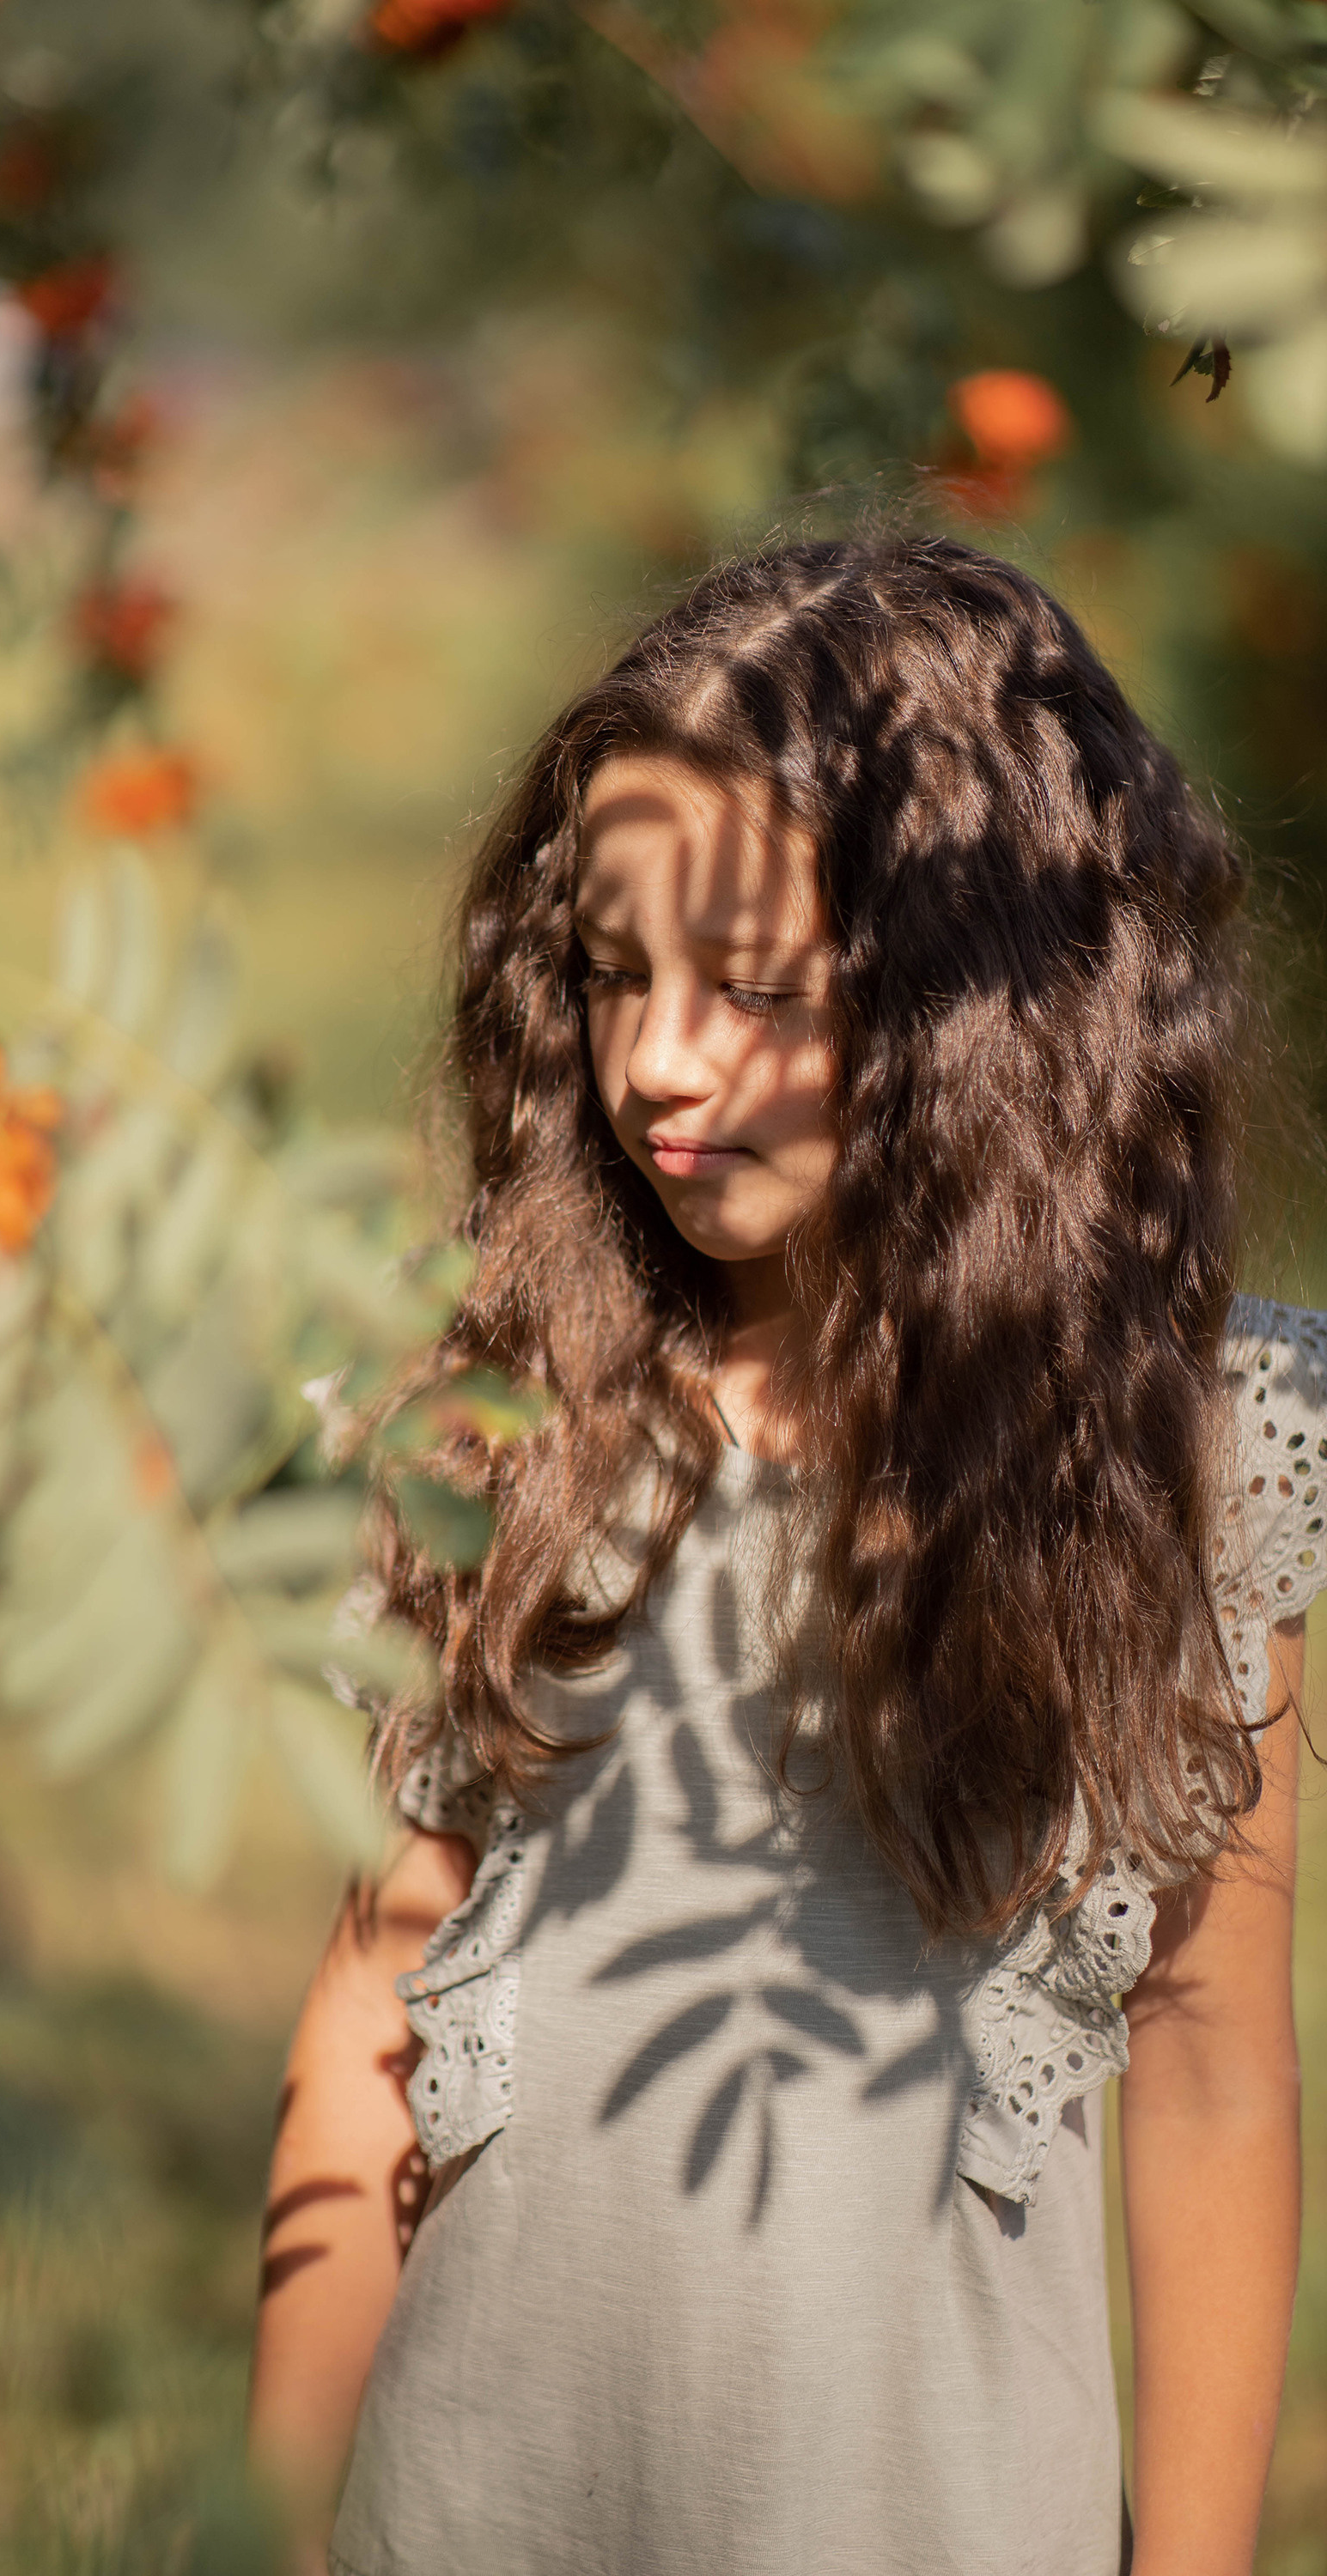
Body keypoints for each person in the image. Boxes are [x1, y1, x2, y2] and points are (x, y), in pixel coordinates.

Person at [247, 539, 1321, 2576]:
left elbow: (1209, 2075)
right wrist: (270, 2526)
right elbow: (370, 2009)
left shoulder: (1174, 1464)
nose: (658, 1062)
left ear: (985, 1008)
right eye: (610, 975)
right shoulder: (496, 1405)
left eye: (751, 987)